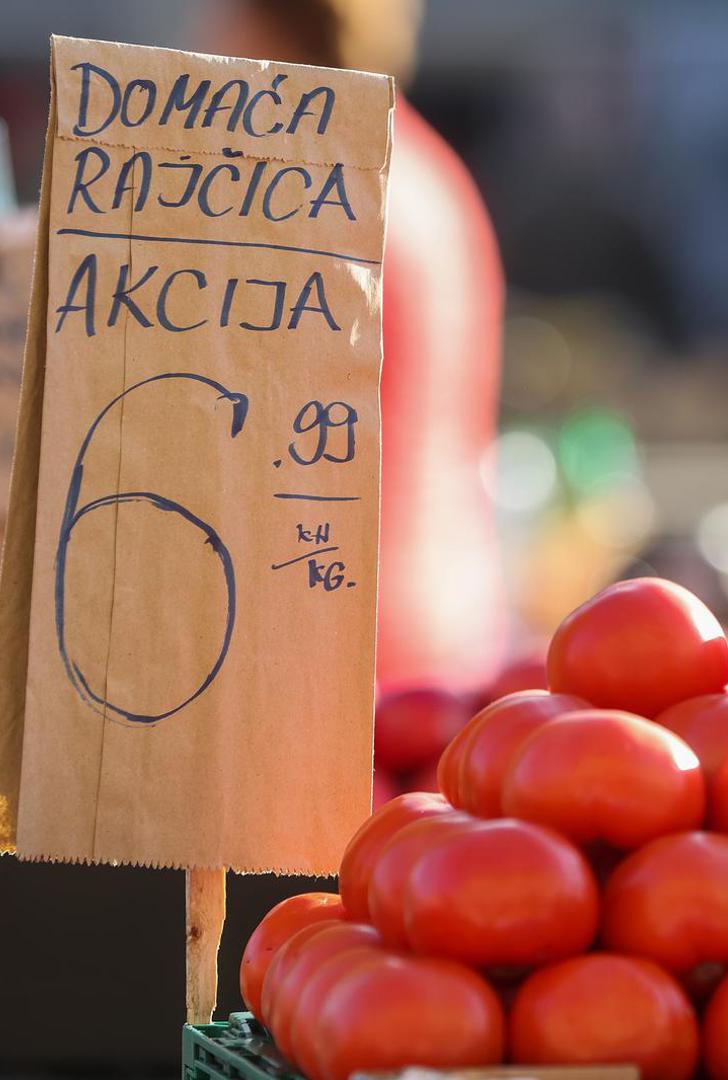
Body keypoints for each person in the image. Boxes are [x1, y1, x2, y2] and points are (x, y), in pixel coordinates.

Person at [211, 0, 509, 691]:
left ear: (259, 22)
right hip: (451, 619)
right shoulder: (429, 168)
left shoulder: (299, 184)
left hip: (337, 651)